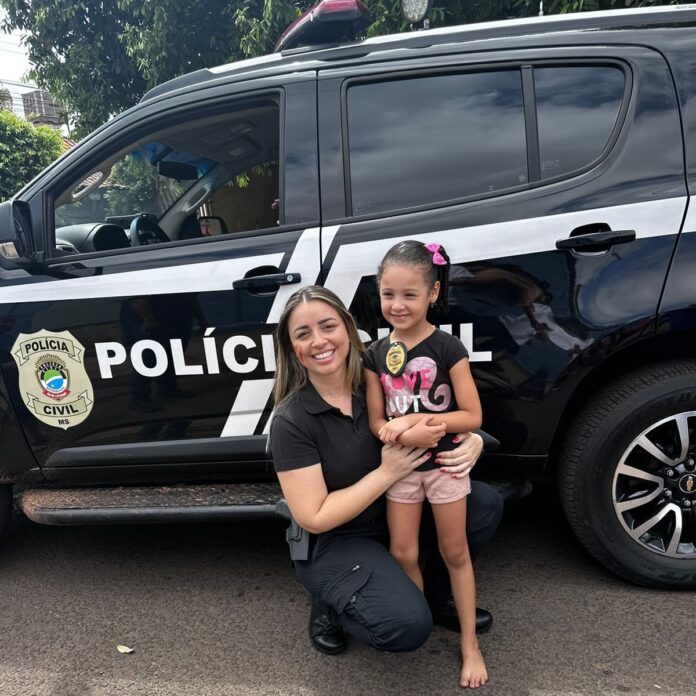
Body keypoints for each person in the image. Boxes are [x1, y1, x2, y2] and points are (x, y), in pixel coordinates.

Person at [268, 285, 500, 684]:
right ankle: (333, 601)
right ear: (291, 349)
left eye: (328, 326)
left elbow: (446, 416)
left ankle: (438, 598)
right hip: (338, 539)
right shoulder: (292, 420)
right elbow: (315, 516)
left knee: (484, 502)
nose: (319, 341)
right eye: (303, 334)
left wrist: (473, 441)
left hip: (393, 516)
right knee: (406, 626)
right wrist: (387, 472)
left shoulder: (379, 381)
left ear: (349, 330)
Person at [364, 240, 486, 688]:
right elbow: (377, 421)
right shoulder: (375, 355)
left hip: (444, 467)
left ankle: (470, 643)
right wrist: (393, 431)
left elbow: (472, 416)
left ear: (432, 294)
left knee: (455, 552)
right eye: (388, 294)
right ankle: (420, 622)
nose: (397, 305)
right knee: (403, 552)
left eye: (410, 295)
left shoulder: (447, 347)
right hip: (400, 470)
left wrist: (416, 419)